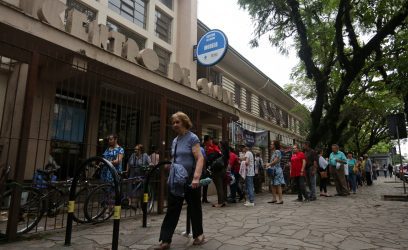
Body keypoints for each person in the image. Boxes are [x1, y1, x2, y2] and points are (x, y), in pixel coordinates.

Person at [156, 112, 205, 249]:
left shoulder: (192, 138)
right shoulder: (175, 140)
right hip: (177, 179)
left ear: (184, 122)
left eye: (177, 122)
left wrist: (196, 178)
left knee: (194, 207)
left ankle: (199, 234)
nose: (175, 125)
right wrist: (169, 165)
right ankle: (165, 240)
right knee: (172, 208)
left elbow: (200, 158)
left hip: (190, 179)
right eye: (173, 123)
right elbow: (176, 158)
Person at [203, 135, 225, 208]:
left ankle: (220, 203)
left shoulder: (213, 147)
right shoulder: (208, 147)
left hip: (216, 169)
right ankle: (222, 201)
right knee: (220, 186)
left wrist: (211, 157)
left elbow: (218, 154)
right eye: (210, 140)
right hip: (217, 168)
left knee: (219, 186)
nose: (211, 141)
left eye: (211, 140)